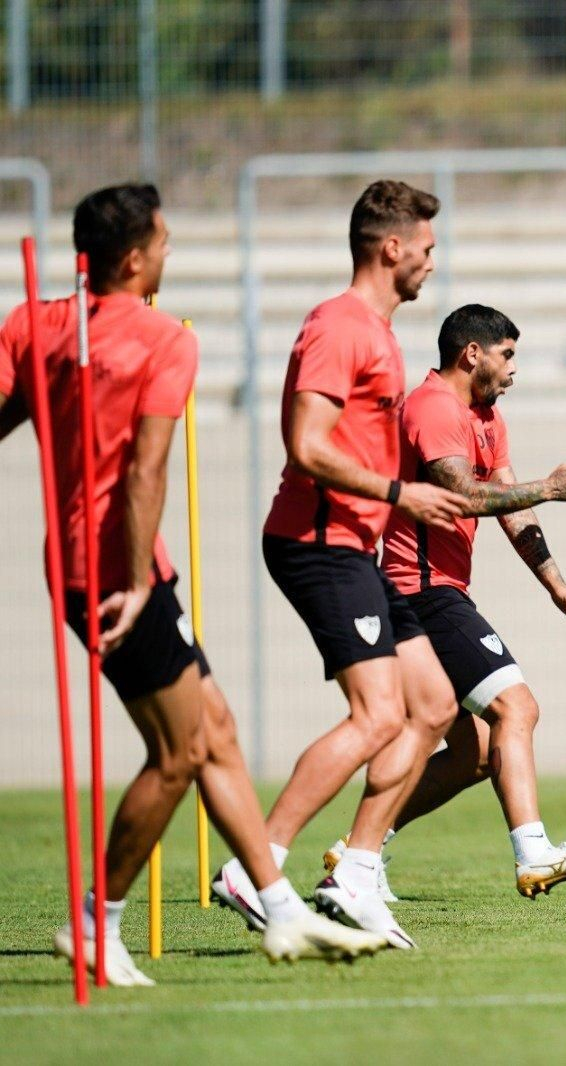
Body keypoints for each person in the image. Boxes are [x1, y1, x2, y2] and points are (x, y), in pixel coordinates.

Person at [0, 184, 387, 986]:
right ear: (134, 257)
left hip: (88, 562)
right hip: (115, 573)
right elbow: (145, 473)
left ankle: (281, 912)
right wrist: (138, 583)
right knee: (177, 753)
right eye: (166, 242)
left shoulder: (31, 323)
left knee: (216, 730)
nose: (171, 254)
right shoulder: (162, 340)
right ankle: (95, 922)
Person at [212, 180, 467, 950]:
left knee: (434, 707)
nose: (432, 261)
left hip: (360, 543)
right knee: (377, 715)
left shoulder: (382, 334)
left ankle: (354, 873)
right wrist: (401, 493)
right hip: (318, 540)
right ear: (392, 248)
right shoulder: (337, 326)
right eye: (426, 248)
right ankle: (256, 865)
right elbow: (307, 445)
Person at [322, 303, 566, 900]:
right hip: (418, 590)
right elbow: (465, 496)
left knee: (474, 753)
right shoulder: (431, 408)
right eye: (507, 355)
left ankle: (356, 855)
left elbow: (508, 503)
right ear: (470, 353)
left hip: (435, 592)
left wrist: (557, 584)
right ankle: (533, 854)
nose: (513, 370)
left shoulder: (487, 417)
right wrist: (552, 488)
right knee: (516, 709)